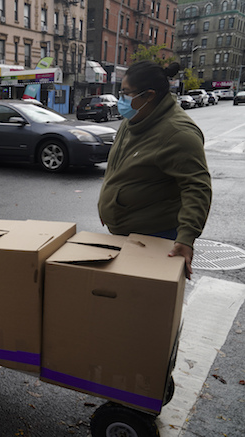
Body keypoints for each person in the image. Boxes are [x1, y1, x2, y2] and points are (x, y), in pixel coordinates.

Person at [98, 61, 212, 279]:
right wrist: (109, 205)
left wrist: (186, 238)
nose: (121, 100)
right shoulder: (134, 118)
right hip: (123, 232)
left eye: (126, 93)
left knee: (144, 302)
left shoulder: (178, 134)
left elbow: (197, 188)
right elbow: (119, 169)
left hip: (155, 236)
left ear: (149, 95)